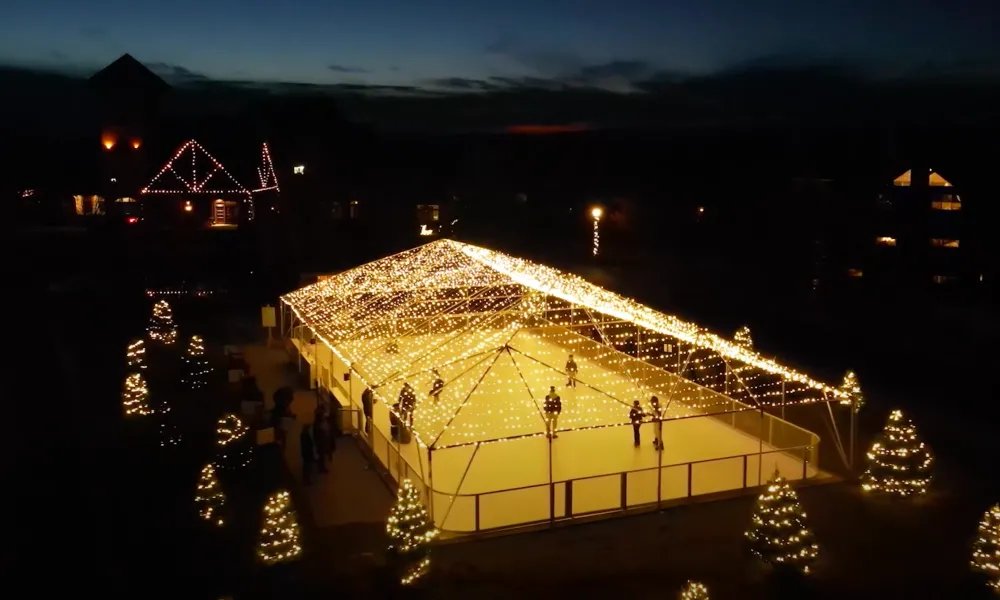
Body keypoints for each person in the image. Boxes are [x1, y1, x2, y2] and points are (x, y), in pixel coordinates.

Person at [313, 405, 332, 473]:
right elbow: (322, 429)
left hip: (322, 438)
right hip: (322, 439)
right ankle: (321, 468)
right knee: (322, 454)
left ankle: (322, 467)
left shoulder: (319, 421)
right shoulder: (320, 422)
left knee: (322, 454)